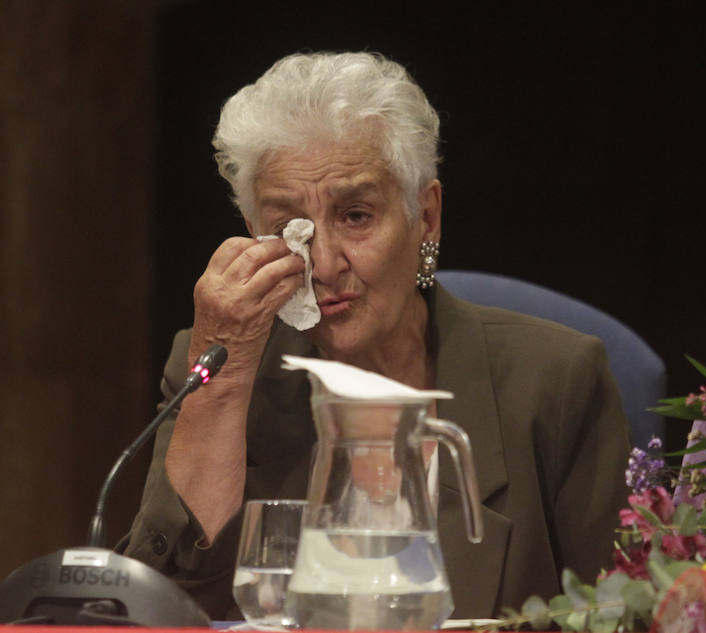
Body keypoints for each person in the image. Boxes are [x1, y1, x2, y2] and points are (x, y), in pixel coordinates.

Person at [119, 51, 631, 620]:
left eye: (356, 215)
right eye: (290, 227)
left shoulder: (554, 381)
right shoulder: (218, 372)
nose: (324, 262)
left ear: (426, 217)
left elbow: (623, 614)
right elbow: (157, 609)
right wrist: (223, 382)